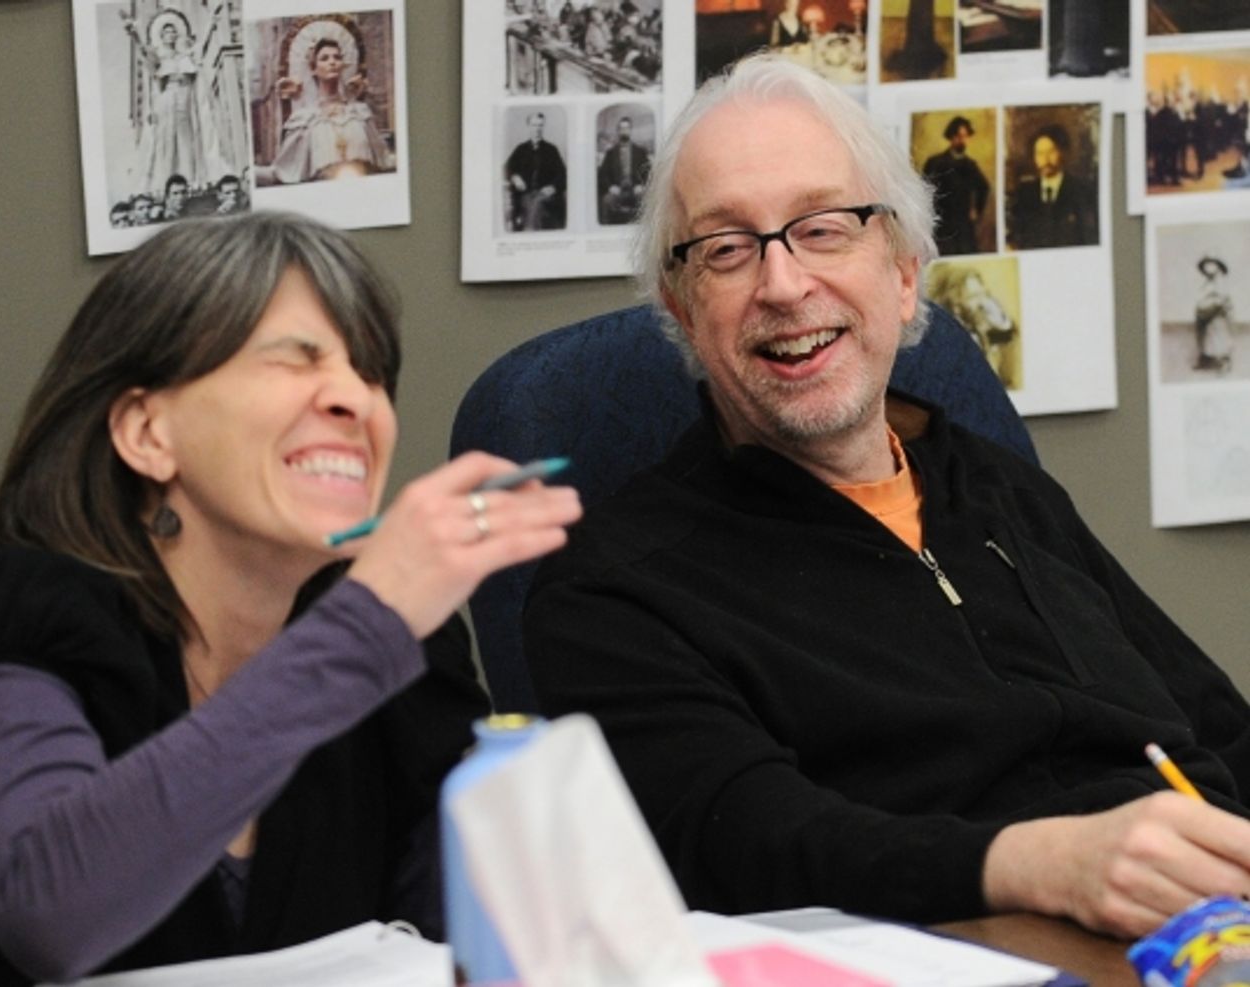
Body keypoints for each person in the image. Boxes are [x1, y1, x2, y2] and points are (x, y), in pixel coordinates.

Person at [522, 51, 1250, 940]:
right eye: (726, 249)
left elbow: (1219, 729)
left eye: (824, 228)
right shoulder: (612, 586)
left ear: (904, 275)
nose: (784, 284)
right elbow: (751, 845)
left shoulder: (994, 484)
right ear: (680, 310)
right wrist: (1043, 861)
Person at [0, 212, 582, 986]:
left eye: (370, 369)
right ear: (148, 431)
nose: (355, 398)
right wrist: (370, 624)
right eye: (294, 361)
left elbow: (472, 939)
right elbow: (51, 912)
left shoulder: (403, 639)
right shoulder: (38, 610)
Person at [257, 23, 395, 186]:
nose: (332, 62)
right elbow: (282, 172)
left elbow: (384, 159)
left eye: (337, 57)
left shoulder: (360, 114)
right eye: (325, 58)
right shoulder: (304, 121)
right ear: (314, 68)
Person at [121, 11, 226, 197]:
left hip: (186, 99)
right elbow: (144, 55)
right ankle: (165, 184)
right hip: (167, 99)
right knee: (166, 140)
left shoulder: (185, 55)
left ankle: (191, 181)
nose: (171, 35)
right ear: (161, 36)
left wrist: (210, 25)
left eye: (173, 32)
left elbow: (202, 48)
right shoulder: (158, 57)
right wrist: (134, 33)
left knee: (187, 139)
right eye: (167, 32)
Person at [1007, 123, 1098, 249]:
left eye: (1051, 151)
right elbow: (1016, 234)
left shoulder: (1081, 190)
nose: (1045, 160)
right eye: (1039, 153)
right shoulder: (1024, 193)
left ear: (1062, 152)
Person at [922, 115, 989, 256]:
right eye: (958, 136)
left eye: (965, 136)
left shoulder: (971, 165)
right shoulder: (936, 162)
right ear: (951, 137)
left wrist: (976, 209)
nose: (962, 140)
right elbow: (924, 190)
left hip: (964, 224)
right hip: (943, 224)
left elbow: (984, 187)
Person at [504, 111, 568, 232]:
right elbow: (506, 168)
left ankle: (529, 232)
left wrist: (553, 187)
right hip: (526, 193)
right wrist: (514, 177)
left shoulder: (551, 150)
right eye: (534, 125)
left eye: (540, 125)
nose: (537, 129)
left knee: (537, 203)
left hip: (546, 194)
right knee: (530, 203)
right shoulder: (520, 149)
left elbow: (563, 175)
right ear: (529, 127)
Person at [597, 116, 653, 225]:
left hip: (636, 188)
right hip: (617, 189)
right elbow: (602, 175)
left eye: (627, 128)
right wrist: (610, 187)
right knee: (606, 201)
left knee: (645, 200)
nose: (624, 131)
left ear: (631, 130)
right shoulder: (610, 153)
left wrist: (641, 185)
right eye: (621, 128)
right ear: (618, 131)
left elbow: (649, 172)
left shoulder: (640, 152)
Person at [1193, 255, 1234, 372]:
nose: (1208, 267)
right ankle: (1206, 359)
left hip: (1218, 313)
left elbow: (1223, 298)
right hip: (1206, 314)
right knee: (1206, 337)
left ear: (1218, 266)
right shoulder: (1208, 281)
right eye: (1206, 264)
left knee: (1220, 336)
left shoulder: (1221, 280)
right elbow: (1202, 296)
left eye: (1211, 263)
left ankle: (1224, 362)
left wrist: (1215, 305)